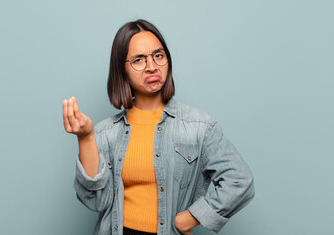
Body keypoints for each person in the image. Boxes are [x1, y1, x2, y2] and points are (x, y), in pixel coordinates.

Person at [62, 19, 254, 235]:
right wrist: (86, 137)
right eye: (139, 60)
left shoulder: (199, 127)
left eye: (158, 55)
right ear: (121, 69)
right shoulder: (106, 133)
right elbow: (96, 202)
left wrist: (190, 217)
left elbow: (239, 181)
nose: (152, 66)